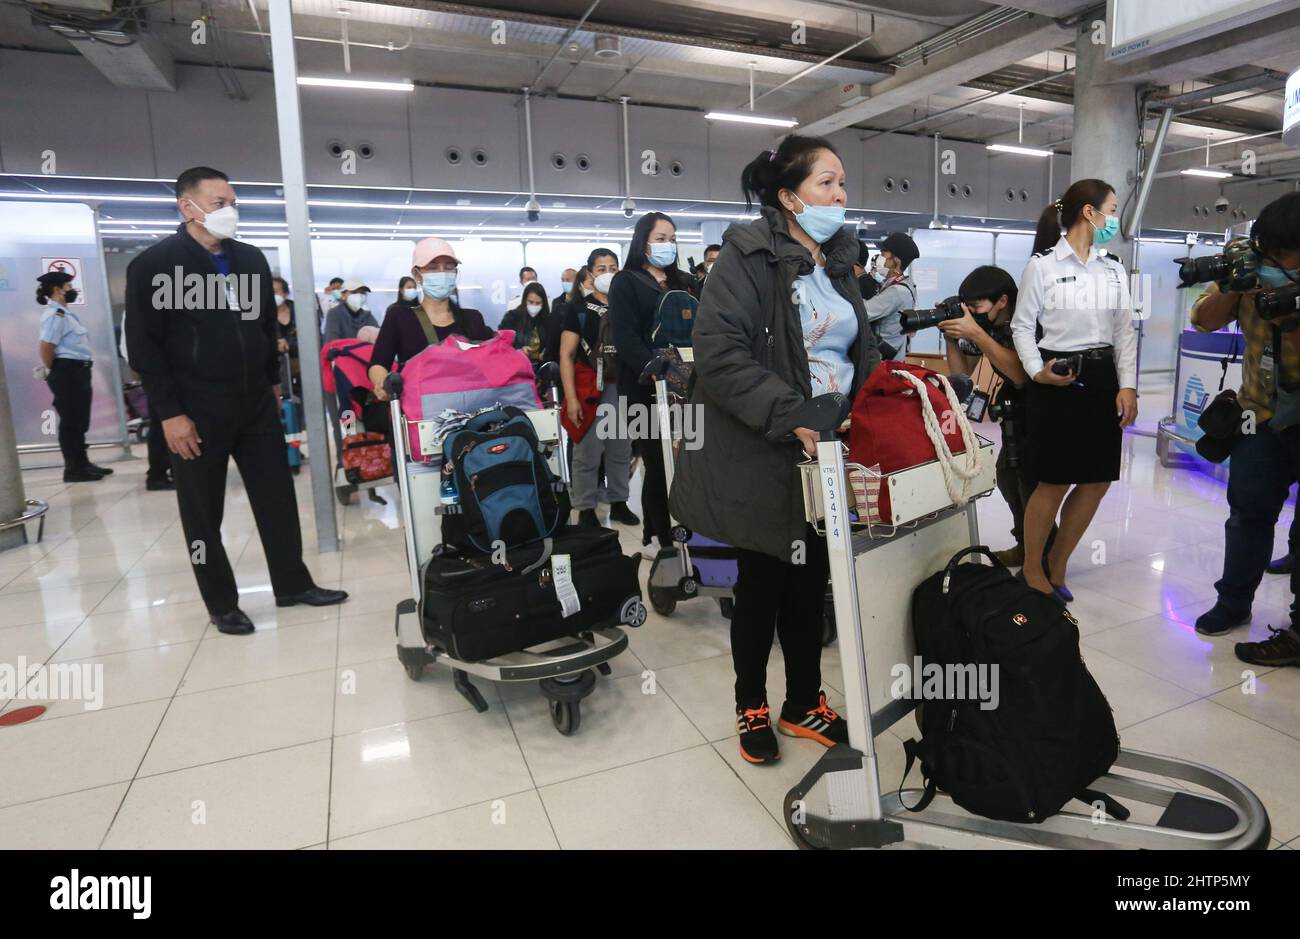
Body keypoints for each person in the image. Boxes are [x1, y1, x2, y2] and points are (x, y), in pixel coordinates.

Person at [672, 135, 879, 765]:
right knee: (762, 584)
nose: (839, 195)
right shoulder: (747, 257)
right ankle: (751, 705)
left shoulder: (839, 263)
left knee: (811, 579)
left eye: (842, 182)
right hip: (768, 446)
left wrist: (874, 404)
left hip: (832, 448)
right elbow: (719, 352)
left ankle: (805, 702)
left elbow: (854, 351)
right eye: (825, 184)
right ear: (788, 197)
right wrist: (791, 415)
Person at [125, 165, 347, 636]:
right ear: (189, 207)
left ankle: (291, 584)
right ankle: (221, 601)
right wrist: (170, 414)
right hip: (195, 409)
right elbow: (146, 350)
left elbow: (264, 326)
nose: (231, 212)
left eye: (233, 202)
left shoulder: (249, 259)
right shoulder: (154, 266)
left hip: (255, 405)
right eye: (220, 203)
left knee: (277, 497)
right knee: (203, 511)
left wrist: (270, 382)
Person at [1187, 192, 1300, 668]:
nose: (1271, 261)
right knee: (1247, 516)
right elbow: (1203, 319)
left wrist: (1288, 314)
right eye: (1266, 252)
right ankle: (1233, 602)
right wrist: (1237, 287)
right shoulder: (1253, 270)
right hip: (1259, 417)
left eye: (1282, 255)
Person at [1011, 178, 1138, 603]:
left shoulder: (1114, 268)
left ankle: (1058, 562)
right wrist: (1035, 371)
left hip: (1102, 382)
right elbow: (1022, 326)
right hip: (1056, 379)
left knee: (1097, 479)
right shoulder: (1042, 266)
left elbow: (1125, 333)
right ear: (1090, 212)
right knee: (1054, 481)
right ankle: (1032, 568)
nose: (1114, 219)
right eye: (1112, 209)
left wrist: (1129, 386)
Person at [939, 265, 1051, 567]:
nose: (972, 313)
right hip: (1016, 411)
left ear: (1002, 301)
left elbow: (1020, 374)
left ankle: (1043, 555)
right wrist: (952, 338)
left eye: (976, 307)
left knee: (1029, 483)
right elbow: (962, 374)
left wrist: (977, 333)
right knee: (1007, 476)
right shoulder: (986, 326)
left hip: (1044, 410)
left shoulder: (1026, 322)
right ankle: (1026, 545)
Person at [608, 211, 696, 558]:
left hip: (688, 386)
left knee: (688, 459)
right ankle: (661, 536)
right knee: (658, 463)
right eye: (660, 238)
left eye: (672, 238)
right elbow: (625, 335)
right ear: (642, 241)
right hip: (646, 388)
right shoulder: (626, 282)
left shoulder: (684, 282)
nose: (667, 245)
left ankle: (691, 528)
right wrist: (652, 366)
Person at [560, 249, 638, 529]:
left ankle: (618, 501)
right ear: (590, 274)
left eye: (613, 267)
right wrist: (571, 399)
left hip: (623, 385)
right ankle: (585, 507)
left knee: (621, 448)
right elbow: (566, 354)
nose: (608, 273)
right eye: (601, 268)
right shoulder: (579, 310)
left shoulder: (628, 305)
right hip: (590, 387)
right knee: (588, 450)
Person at [369, 237, 493, 400]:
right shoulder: (399, 317)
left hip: (471, 412)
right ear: (417, 274)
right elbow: (378, 363)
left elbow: (490, 364)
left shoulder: (473, 319)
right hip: (420, 414)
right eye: (433, 268)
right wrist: (383, 383)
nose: (442, 273)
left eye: (449, 267)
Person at [36, 271, 114, 483]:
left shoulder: (65, 313)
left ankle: (82, 463)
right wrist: (57, 370)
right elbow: (46, 347)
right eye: (68, 286)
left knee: (79, 420)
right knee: (71, 421)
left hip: (77, 371)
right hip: (67, 371)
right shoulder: (55, 315)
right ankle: (73, 469)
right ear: (56, 289)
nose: (72, 290)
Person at [119, 315, 174, 490]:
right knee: (160, 425)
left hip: (170, 373)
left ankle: (172, 469)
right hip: (158, 375)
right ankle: (156, 475)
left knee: (165, 424)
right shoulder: (137, 308)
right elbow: (131, 347)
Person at [864, 231, 918, 360]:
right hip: (892, 356)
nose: (879, 257)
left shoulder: (897, 291)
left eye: (883, 254)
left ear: (896, 260)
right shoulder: (907, 285)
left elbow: (864, 311)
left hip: (883, 361)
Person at [498, 282, 550, 366]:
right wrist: (518, 350)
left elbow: (553, 343)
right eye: (531, 302)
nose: (534, 306)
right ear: (524, 300)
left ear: (543, 303)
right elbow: (501, 344)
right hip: (517, 366)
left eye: (538, 303)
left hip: (541, 367)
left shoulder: (547, 320)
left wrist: (547, 352)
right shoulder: (511, 317)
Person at [323, 278, 377, 344]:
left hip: (366, 353)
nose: (359, 296)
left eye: (363, 293)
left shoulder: (368, 316)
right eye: (354, 292)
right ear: (343, 294)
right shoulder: (334, 314)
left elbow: (379, 338)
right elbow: (331, 343)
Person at [272, 276, 300, 397]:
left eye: (274, 292)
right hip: (277, 364)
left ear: (285, 293)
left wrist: (288, 345)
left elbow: (311, 340)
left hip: (301, 361)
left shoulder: (299, 311)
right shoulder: (264, 315)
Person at [544, 268, 577, 364]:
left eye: (568, 280)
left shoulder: (582, 302)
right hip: (557, 348)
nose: (565, 283)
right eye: (563, 280)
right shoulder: (556, 302)